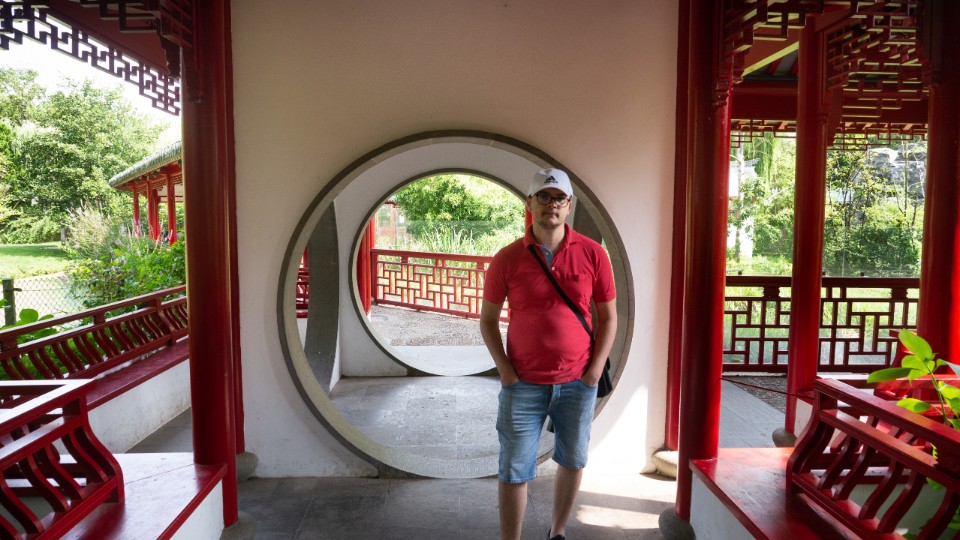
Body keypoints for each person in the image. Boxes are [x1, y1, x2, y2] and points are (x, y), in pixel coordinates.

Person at [479, 167, 617, 540]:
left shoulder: (593, 254)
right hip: (522, 384)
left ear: (568, 205)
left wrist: (593, 372)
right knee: (514, 470)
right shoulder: (507, 258)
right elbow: (488, 320)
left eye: (558, 198)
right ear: (530, 203)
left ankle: (558, 532)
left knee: (572, 460)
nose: (551, 204)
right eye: (543, 196)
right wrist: (506, 371)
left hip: (577, 382)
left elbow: (608, 318)